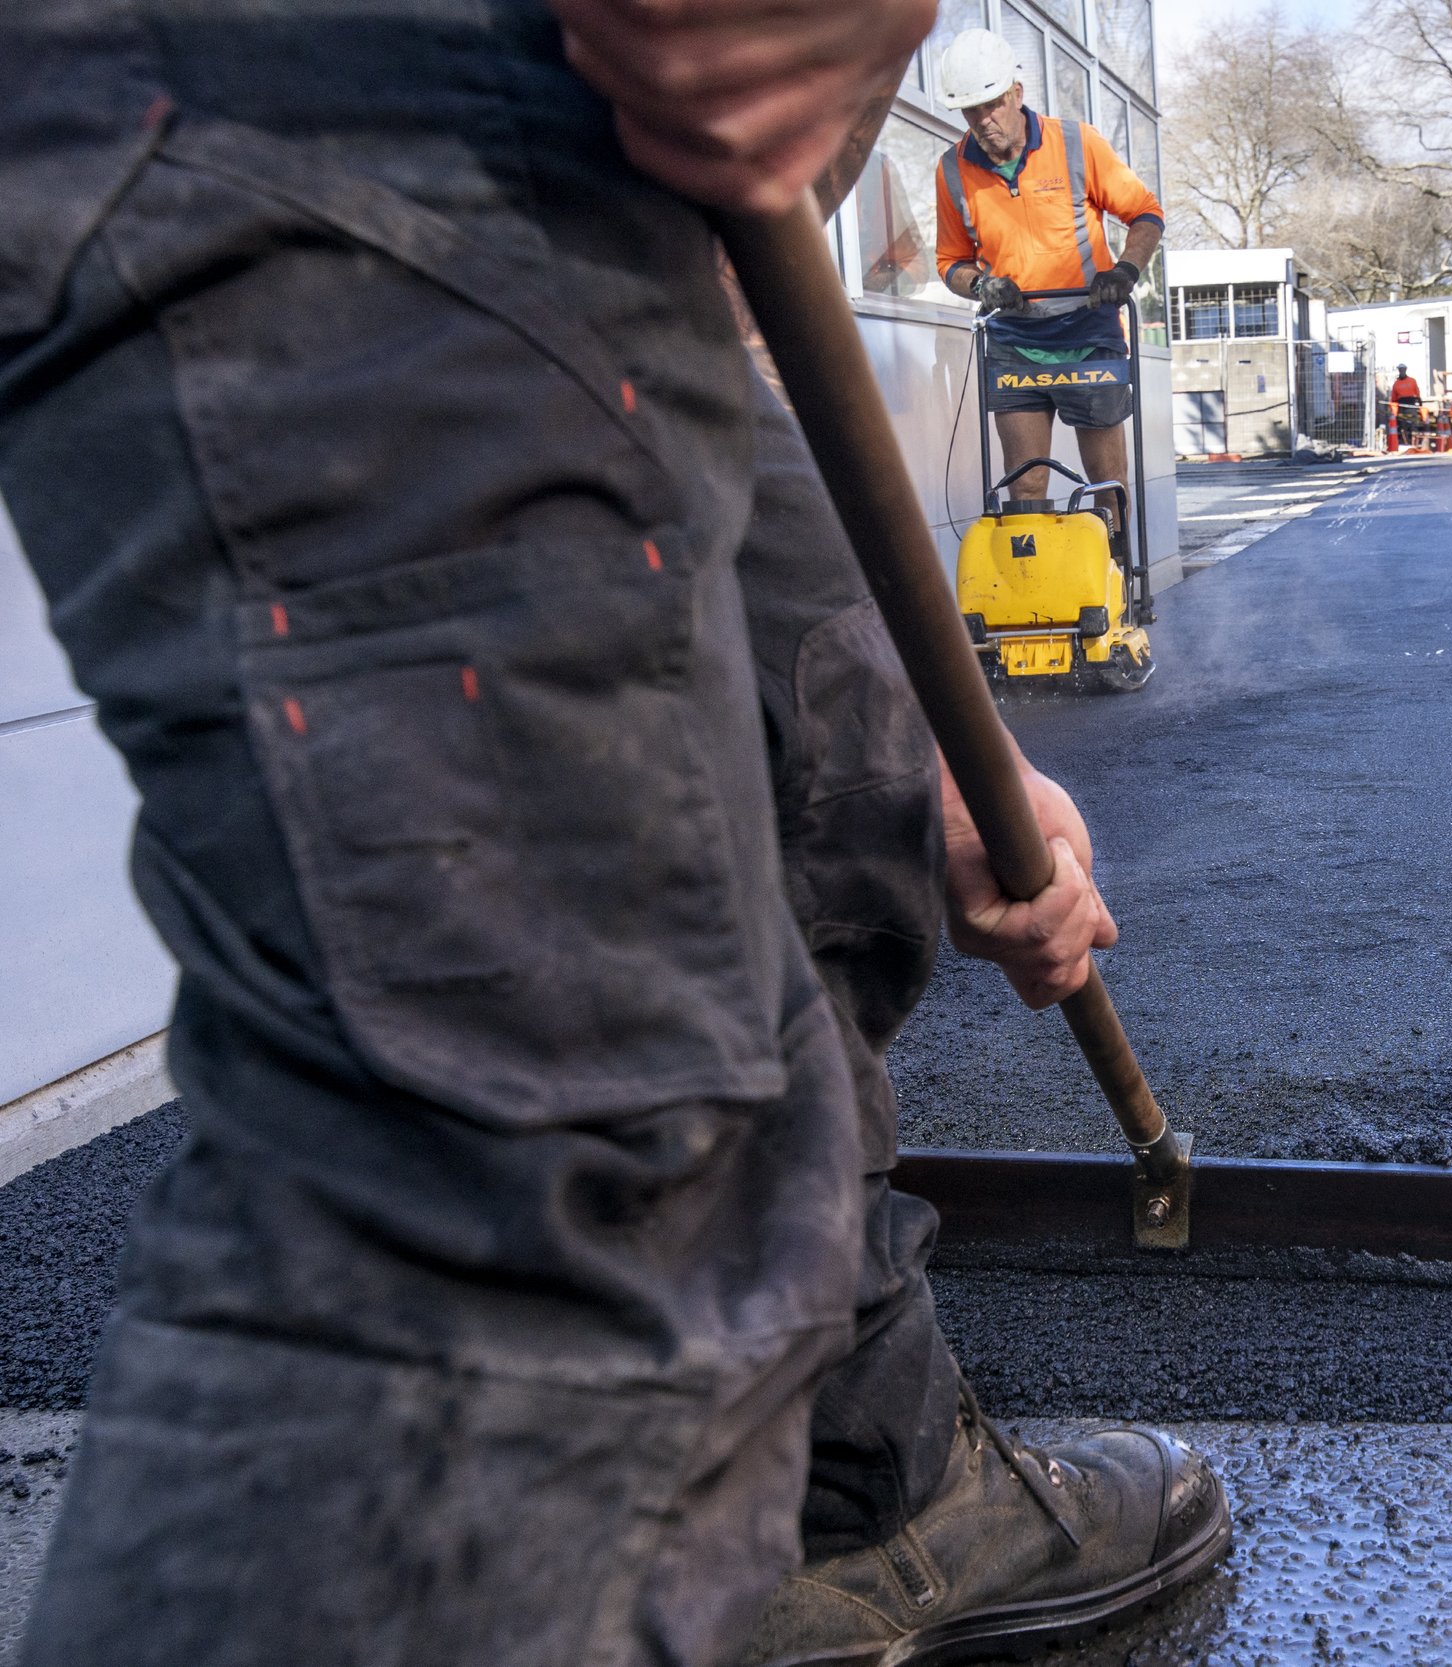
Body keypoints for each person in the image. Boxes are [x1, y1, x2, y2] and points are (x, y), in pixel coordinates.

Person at [0, 3, 1226, 1666]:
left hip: (570, 176)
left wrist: (954, 749)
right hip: (320, 95)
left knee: (835, 772)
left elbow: (731, 247)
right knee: (556, 1135)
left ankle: (854, 1491)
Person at [932, 28, 1162, 541]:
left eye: (991, 105)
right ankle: (1040, 603)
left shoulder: (1077, 143)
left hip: (1090, 334)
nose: (983, 121)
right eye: (970, 112)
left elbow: (1145, 212)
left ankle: (1115, 583)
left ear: (1016, 92)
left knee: (1108, 483)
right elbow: (950, 262)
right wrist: (981, 287)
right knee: (1027, 481)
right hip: (1016, 341)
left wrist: (1124, 271)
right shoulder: (952, 170)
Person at [1387, 361, 1424, 448]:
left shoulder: (1412, 381)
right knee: (1403, 424)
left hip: (1411, 403)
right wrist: (1392, 407)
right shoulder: (1396, 384)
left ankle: (1414, 442)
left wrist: (1419, 402)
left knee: (1413, 423)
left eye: (1403, 369)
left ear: (1405, 370)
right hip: (1401, 404)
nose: (1402, 371)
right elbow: (1394, 398)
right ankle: (1406, 442)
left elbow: (1417, 392)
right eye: (1400, 370)